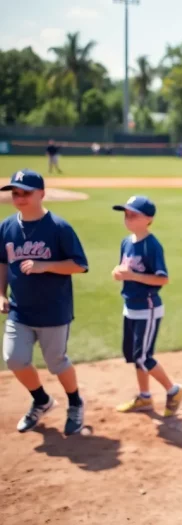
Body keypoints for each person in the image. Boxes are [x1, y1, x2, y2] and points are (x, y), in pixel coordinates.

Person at [0, 169, 88, 435]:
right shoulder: (6, 226)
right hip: (20, 310)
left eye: (26, 192)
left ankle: (75, 403)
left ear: (42, 194)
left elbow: (79, 265)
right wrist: (1, 294)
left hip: (54, 311)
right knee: (14, 359)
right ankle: (41, 400)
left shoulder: (59, 227)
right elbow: (3, 263)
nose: (19, 197)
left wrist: (44, 266)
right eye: (15, 192)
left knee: (56, 363)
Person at [112, 196, 182, 418]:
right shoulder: (126, 242)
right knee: (135, 356)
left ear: (148, 219)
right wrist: (118, 273)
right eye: (126, 214)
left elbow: (162, 279)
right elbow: (124, 269)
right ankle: (144, 397)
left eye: (133, 215)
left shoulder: (152, 245)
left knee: (143, 356)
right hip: (131, 306)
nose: (128, 218)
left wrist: (132, 275)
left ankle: (174, 391)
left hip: (148, 308)